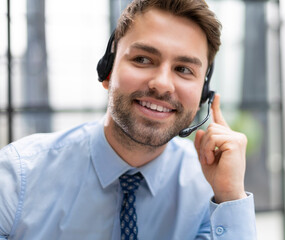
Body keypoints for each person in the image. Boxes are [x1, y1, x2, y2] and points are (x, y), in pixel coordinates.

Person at [0, 0, 257, 239]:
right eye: (143, 59)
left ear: (203, 93)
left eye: (183, 69)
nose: (162, 85)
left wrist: (229, 198)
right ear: (108, 70)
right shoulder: (17, 178)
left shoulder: (206, 191)